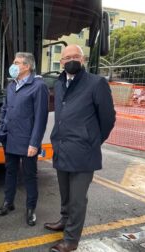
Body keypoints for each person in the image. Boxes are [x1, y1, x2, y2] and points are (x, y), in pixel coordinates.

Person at [45, 45, 116, 252]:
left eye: (75, 56)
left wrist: (92, 140)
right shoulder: (59, 84)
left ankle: (71, 240)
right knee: (65, 193)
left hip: (84, 152)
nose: (70, 60)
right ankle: (64, 220)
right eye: (66, 58)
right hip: (62, 148)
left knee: (77, 199)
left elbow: (108, 119)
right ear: (61, 62)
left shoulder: (96, 83)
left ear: (82, 60)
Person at [0, 52, 49, 226]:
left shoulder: (38, 86)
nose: (13, 65)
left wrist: (35, 143)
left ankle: (30, 209)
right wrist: (1, 128)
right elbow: (4, 109)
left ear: (27, 66)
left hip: (27, 142)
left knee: (30, 176)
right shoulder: (11, 85)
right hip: (10, 138)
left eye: (17, 62)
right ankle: (8, 202)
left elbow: (41, 118)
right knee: (10, 172)